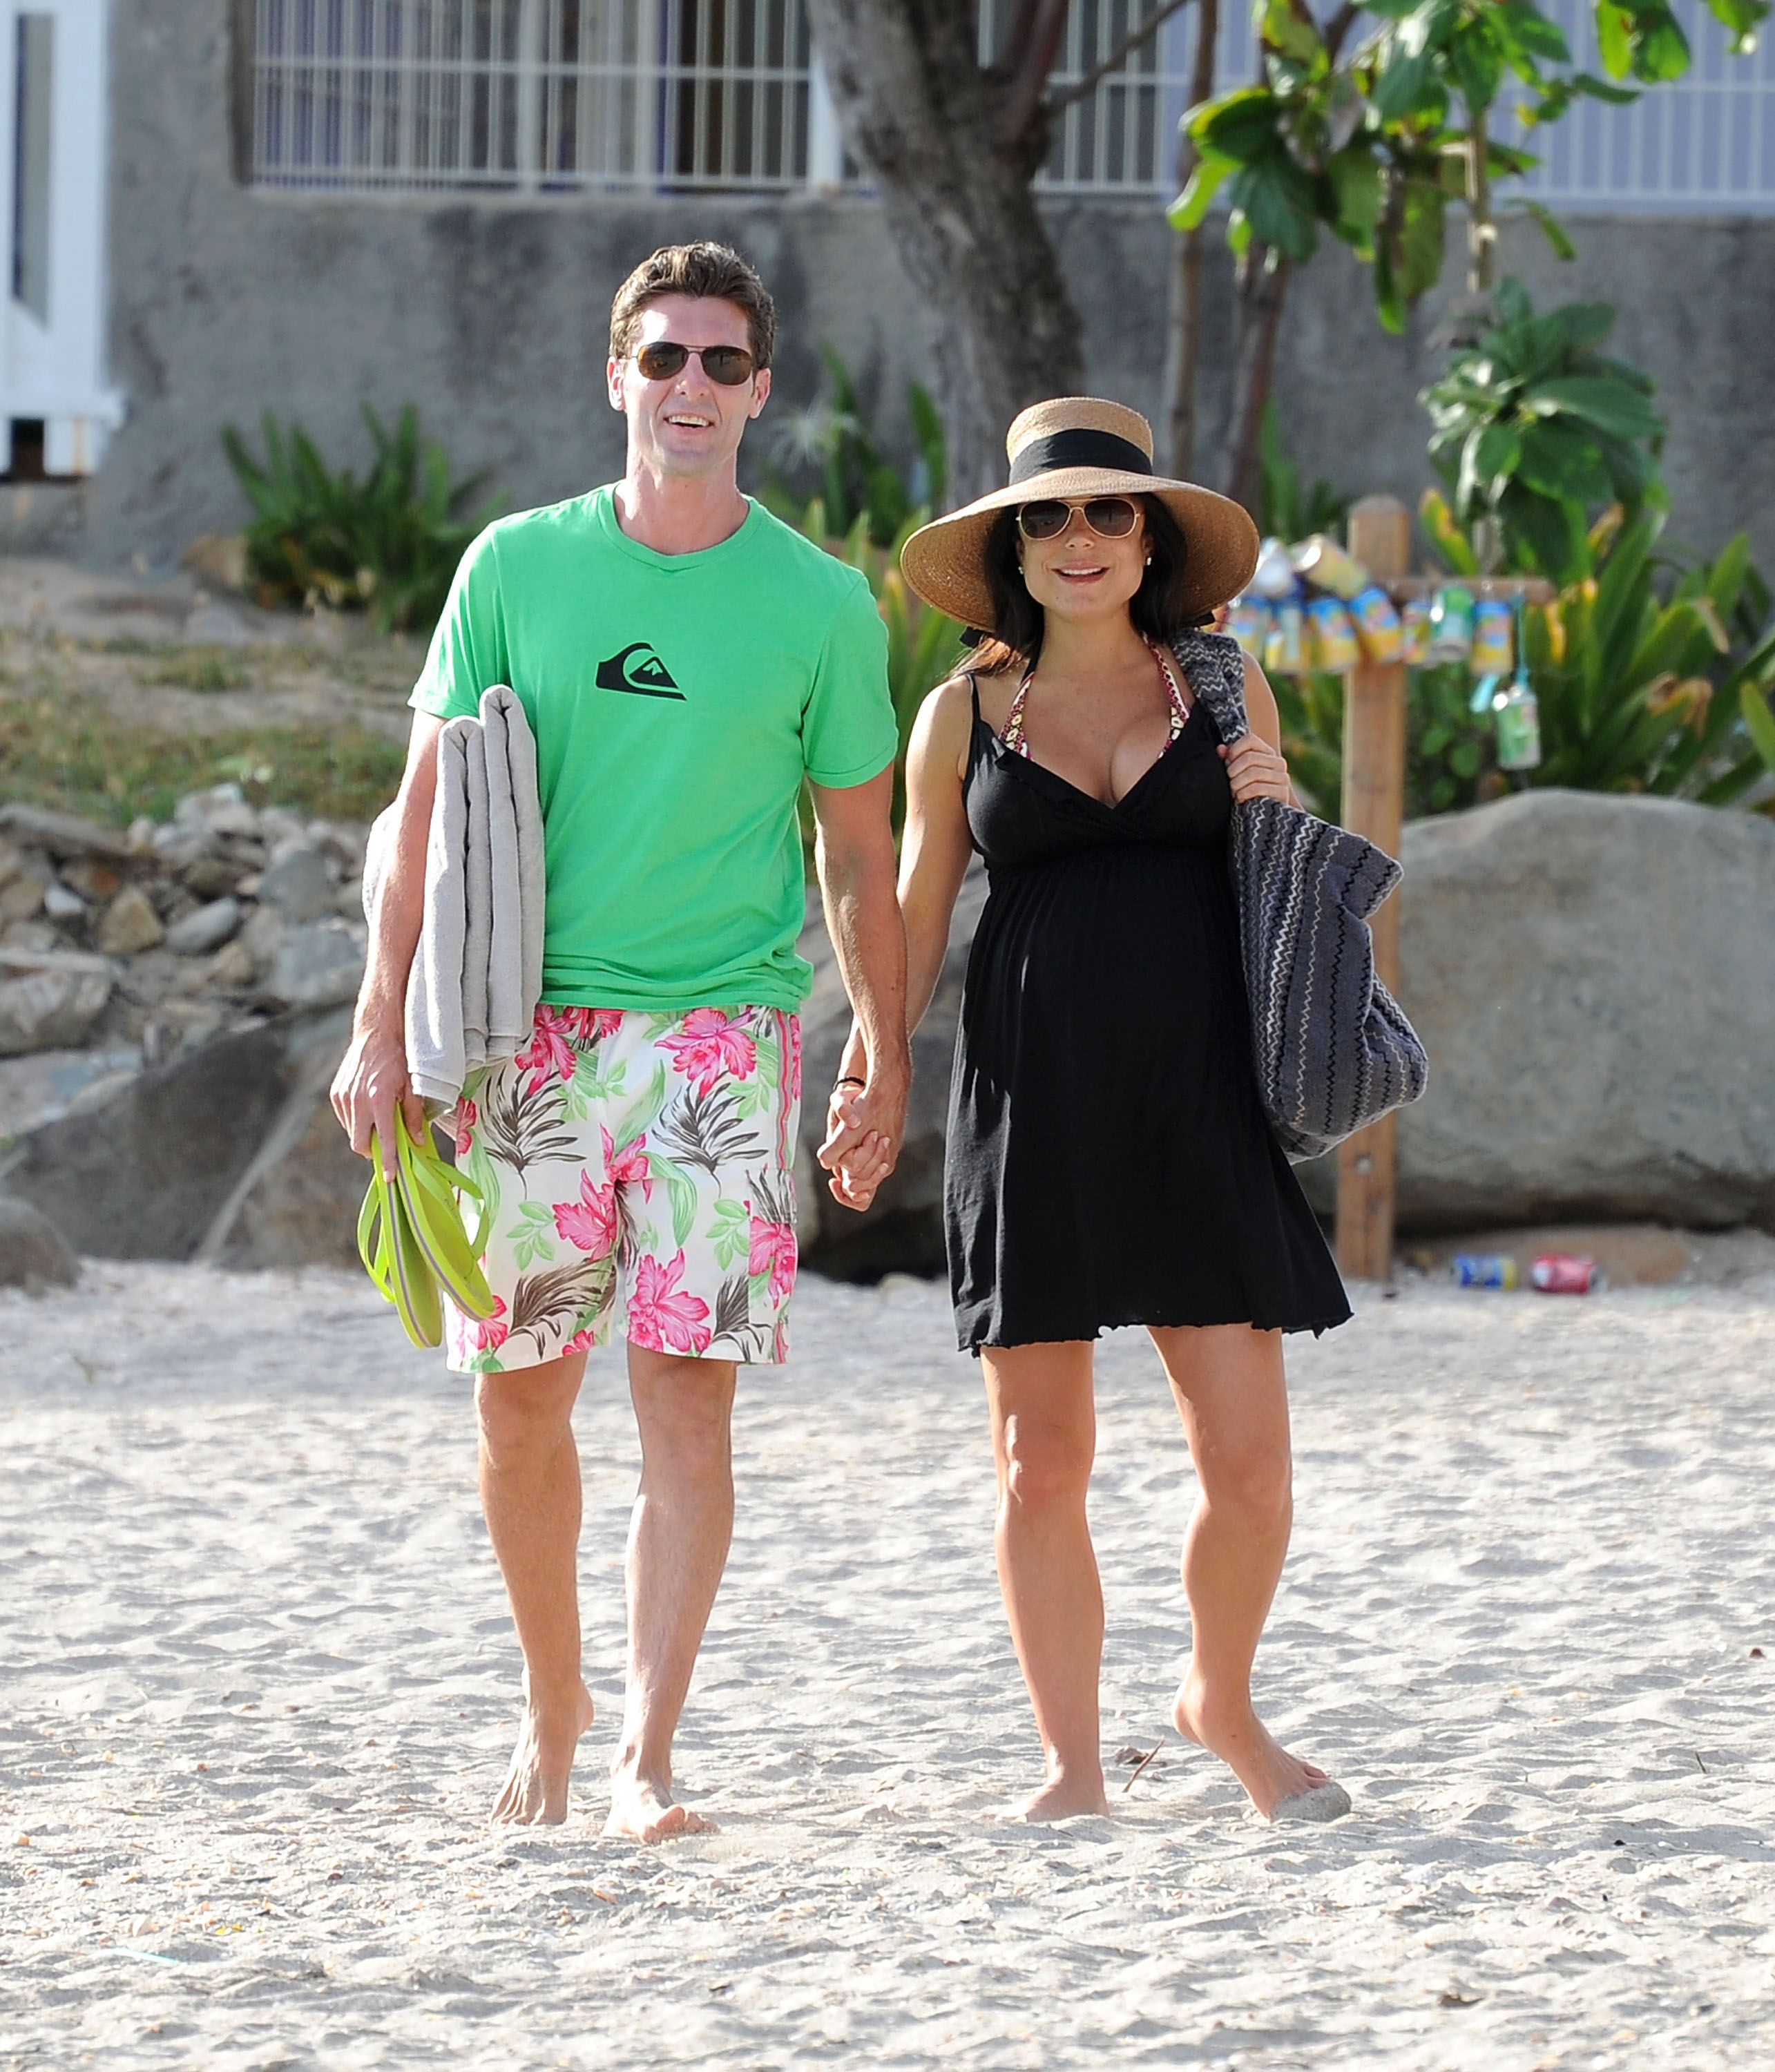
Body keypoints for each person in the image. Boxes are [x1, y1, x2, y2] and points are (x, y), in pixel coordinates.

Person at [332, 242, 908, 1840]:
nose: (694, 389)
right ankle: (553, 1710)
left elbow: (858, 856)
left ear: (763, 390)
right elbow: (422, 811)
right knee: (519, 1399)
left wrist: (880, 1043)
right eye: (664, 359)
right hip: (530, 1037)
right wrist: (382, 1020)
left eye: (724, 363)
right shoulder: (515, 567)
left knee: (685, 1400)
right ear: (616, 376)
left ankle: (648, 1750)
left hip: (725, 1038)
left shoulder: (816, 602)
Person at [850, 396, 1352, 1824]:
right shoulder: (964, 711)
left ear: (1149, 540)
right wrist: (877, 1067)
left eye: (1108, 512)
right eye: (1049, 515)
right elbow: (912, 908)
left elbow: (1303, 891)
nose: (1079, 538)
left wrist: (1272, 790)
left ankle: (1218, 1698)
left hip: (1200, 1104)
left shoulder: (1221, 689)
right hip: (1034, 1097)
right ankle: (1071, 1766)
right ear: (1014, 545)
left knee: (1249, 1468)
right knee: (1039, 1459)